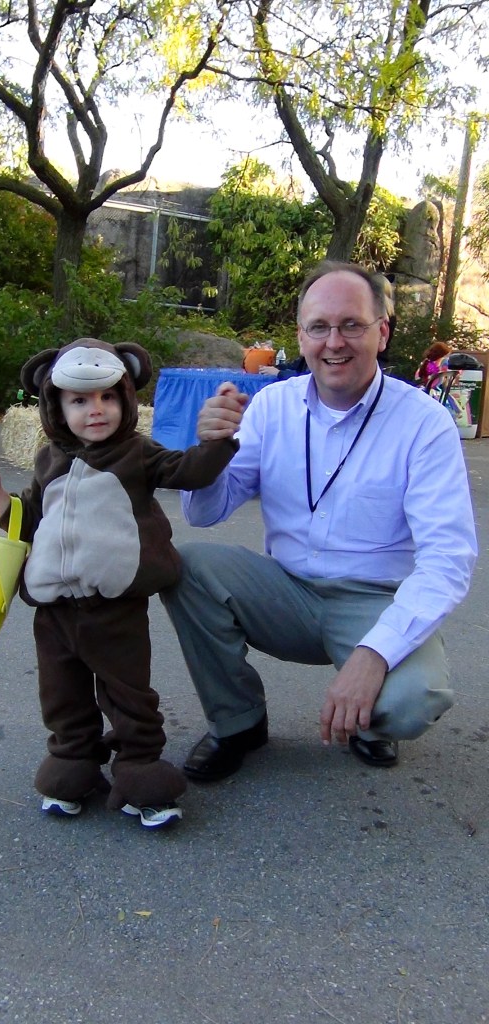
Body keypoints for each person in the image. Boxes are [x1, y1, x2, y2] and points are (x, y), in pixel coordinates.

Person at [160, 260, 477, 782]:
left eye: (352, 324)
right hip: (286, 591)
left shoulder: (424, 423)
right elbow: (206, 512)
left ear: (383, 331)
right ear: (302, 337)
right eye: (319, 327)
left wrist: (375, 654)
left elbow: (449, 558)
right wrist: (209, 452)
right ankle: (238, 722)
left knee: (413, 699)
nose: (335, 342)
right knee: (186, 565)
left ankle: (373, 723)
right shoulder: (270, 408)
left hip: (374, 603)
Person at [0, 338, 238, 828]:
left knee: (129, 694)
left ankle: (139, 770)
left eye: (108, 397)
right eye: (79, 400)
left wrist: (217, 441)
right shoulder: (49, 459)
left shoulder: (138, 453)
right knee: (62, 695)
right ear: (56, 407)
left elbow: (189, 471)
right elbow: (28, 522)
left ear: (127, 399)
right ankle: (74, 765)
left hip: (115, 609)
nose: (96, 410)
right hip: (53, 613)